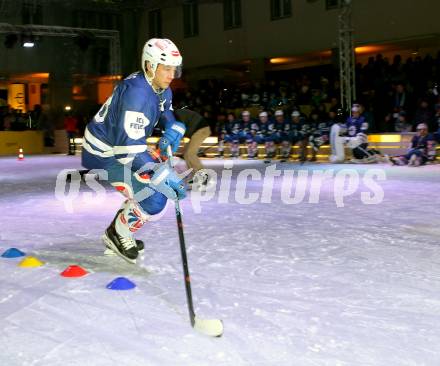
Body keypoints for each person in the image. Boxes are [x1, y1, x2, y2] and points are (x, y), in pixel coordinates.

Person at [81, 38, 187, 263]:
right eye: (166, 68)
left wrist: (173, 126)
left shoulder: (159, 87)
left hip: (120, 145)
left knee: (149, 190)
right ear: (150, 66)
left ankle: (121, 225)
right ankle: (117, 233)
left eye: (174, 69)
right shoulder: (137, 94)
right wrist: (160, 172)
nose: (171, 75)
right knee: (155, 197)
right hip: (105, 152)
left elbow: (164, 110)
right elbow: (127, 153)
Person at [173, 108, 212, 188]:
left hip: (201, 129)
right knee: (186, 155)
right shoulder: (175, 115)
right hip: (197, 131)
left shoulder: (176, 115)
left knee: (190, 154)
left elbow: (180, 131)